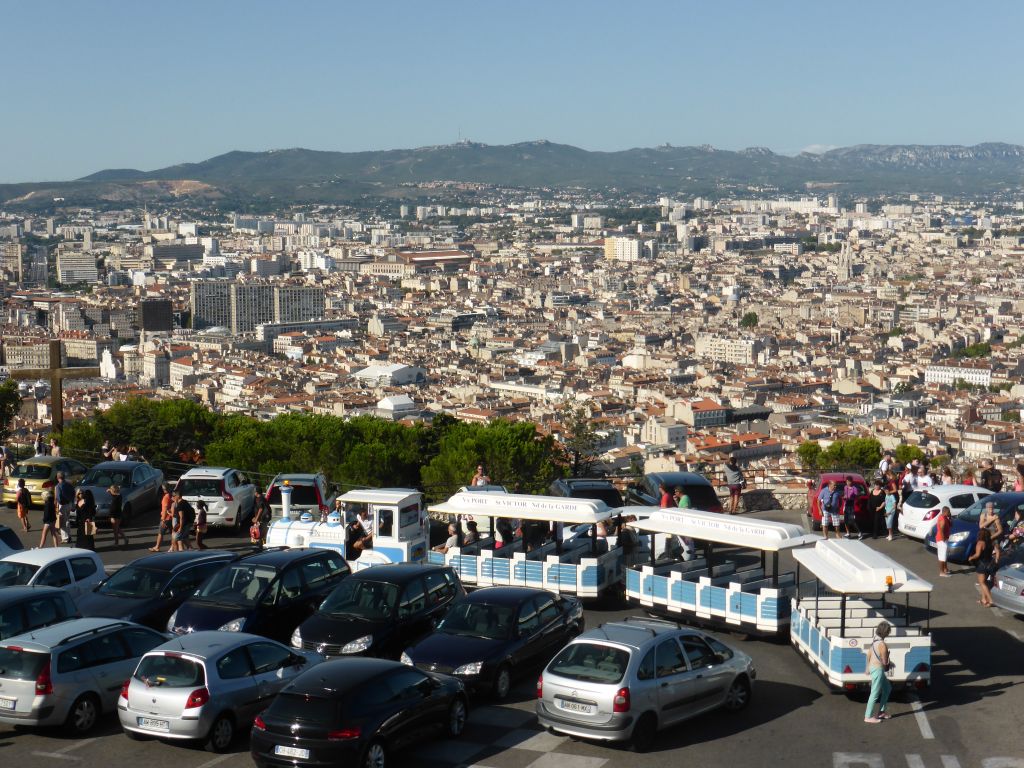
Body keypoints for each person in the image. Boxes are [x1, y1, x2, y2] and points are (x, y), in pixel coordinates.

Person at [864, 621, 893, 724]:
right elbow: (885, 662)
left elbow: (868, 655)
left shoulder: (875, 641)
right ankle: (868, 716)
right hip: (878, 669)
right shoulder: (883, 645)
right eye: (888, 631)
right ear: (886, 632)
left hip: (873, 668)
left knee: (887, 688)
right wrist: (889, 660)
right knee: (875, 693)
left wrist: (867, 668)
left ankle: (881, 712)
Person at [968, 528, 999, 607]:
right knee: (984, 582)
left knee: (982, 583)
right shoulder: (991, 542)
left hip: (982, 565)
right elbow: (998, 552)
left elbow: (977, 555)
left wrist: (971, 557)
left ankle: (991, 600)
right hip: (990, 564)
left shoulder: (980, 543)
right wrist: (996, 560)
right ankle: (983, 599)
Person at [150, 483, 174, 552]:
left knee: (160, 533)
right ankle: (172, 547)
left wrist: (163, 519)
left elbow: (165, 509)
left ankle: (157, 547)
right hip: (171, 517)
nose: (163, 490)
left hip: (166, 518)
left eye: (164, 489)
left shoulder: (166, 497)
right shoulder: (171, 495)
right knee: (172, 533)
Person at [108, 484, 128, 548]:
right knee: (117, 528)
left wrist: (112, 517)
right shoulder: (119, 496)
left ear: (113, 491)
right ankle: (125, 539)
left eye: (111, 490)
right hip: (119, 514)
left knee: (115, 530)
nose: (110, 491)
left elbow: (113, 508)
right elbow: (114, 493)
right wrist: (110, 491)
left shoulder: (115, 499)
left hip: (115, 516)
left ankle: (116, 543)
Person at [934, 506, 952, 577]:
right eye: (948, 512)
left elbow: (951, 525)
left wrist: (949, 518)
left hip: (944, 539)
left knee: (944, 556)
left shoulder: (945, 517)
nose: (949, 513)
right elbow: (941, 530)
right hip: (941, 540)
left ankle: (945, 569)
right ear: (944, 512)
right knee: (942, 556)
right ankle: (941, 572)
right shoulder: (942, 519)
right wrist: (943, 538)